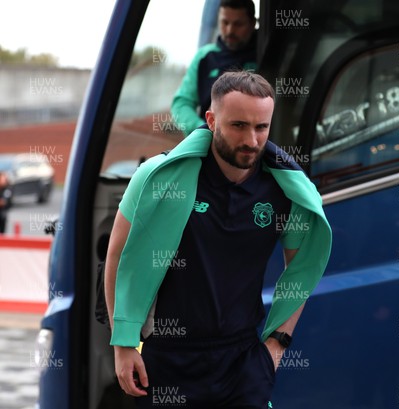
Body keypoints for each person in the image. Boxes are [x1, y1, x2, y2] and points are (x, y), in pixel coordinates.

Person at [105, 71, 332, 408]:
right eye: (238, 125)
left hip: (242, 362)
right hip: (168, 359)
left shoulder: (286, 190)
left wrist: (277, 345)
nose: (252, 140)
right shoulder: (156, 177)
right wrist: (123, 345)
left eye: (261, 127)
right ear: (211, 120)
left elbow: (301, 269)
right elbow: (116, 257)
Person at [171, 0, 258, 137]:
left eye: (238, 24)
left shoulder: (265, 56)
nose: (230, 30)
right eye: (225, 22)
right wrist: (204, 132)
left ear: (253, 23)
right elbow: (182, 103)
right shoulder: (204, 57)